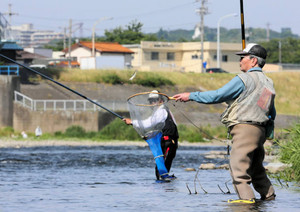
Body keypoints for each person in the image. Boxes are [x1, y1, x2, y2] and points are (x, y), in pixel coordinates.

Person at [173, 43, 276, 202]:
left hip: (244, 129)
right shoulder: (268, 83)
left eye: (243, 57)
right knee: (256, 169)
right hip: (260, 131)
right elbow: (270, 111)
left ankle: (246, 204)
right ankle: (269, 199)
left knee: (238, 170)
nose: (240, 61)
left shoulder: (244, 79)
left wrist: (191, 95)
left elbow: (217, 96)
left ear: (254, 61)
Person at [123, 90, 179, 180]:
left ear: (160, 100)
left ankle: (162, 190)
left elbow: (148, 124)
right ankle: (164, 189)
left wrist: (132, 122)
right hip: (168, 142)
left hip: (168, 143)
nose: (152, 102)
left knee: (161, 169)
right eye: (151, 101)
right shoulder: (161, 111)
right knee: (162, 169)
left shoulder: (161, 111)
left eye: (155, 100)